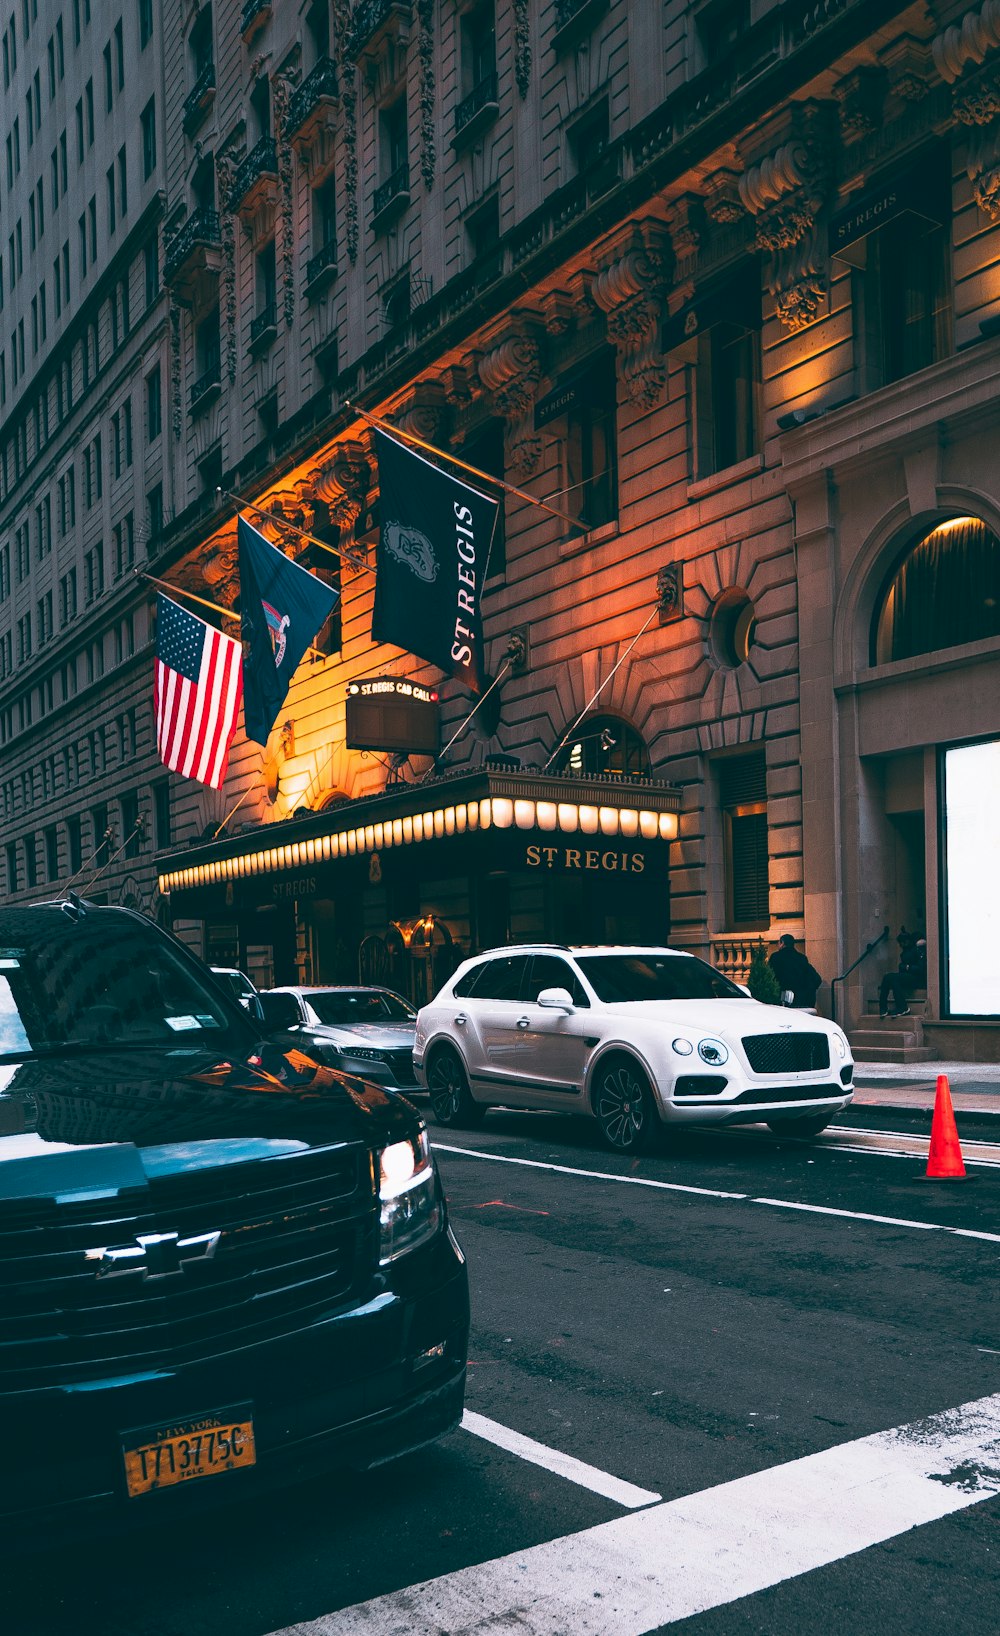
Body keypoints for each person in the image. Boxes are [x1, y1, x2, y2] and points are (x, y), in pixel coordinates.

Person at [768, 934, 823, 1008]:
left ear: (782, 943)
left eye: (778, 943)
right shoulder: (801, 958)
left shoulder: (775, 957)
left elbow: (770, 976)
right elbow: (814, 978)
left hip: (783, 998)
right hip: (801, 998)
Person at [879, 935, 926, 1018]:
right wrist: (904, 967)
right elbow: (902, 969)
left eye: (902, 942)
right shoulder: (904, 953)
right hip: (908, 977)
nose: (901, 945)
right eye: (900, 943)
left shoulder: (917, 950)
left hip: (916, 979)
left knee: (893, 978)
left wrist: (907, 967)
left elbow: (921, 968)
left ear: (907, 941)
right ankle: (883, 1008)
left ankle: (903, 1007)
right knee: (887, 977)